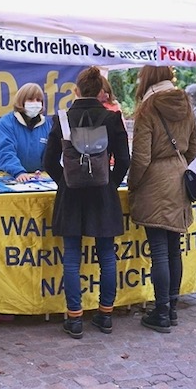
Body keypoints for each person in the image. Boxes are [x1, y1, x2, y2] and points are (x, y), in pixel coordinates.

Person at [43, 66, 130, 339]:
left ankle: (75, 318)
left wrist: (64, 182)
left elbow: (48, 162)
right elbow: (125, 160)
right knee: (107, 255)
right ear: (101, 91)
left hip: (71, 194)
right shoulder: (112, 118)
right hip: (103, 194)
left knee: (71, 256)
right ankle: (105, 315)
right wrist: (110, 184)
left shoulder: (64, 119)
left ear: (77, 90)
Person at [127, 66, 196, 333]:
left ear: (147, 79)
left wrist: (134, 184)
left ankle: (161, 313)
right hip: (179, 178)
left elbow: (141, 157)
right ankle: (172, 308)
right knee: (173, 248)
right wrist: (177, 165)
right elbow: (193, 147)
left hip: (154, 182)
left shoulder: (147, 108)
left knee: (158, 250)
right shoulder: (186, 104)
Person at [0, 83, 52, 183]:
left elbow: (49, 154)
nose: (35, 103)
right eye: (31, 99)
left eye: (38, 100)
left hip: (34, 179)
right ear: (21, 101)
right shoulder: (6, 122)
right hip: (5, 177)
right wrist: (19, 172)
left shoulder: (46, 125)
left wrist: (43, 170)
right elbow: (4, 152)